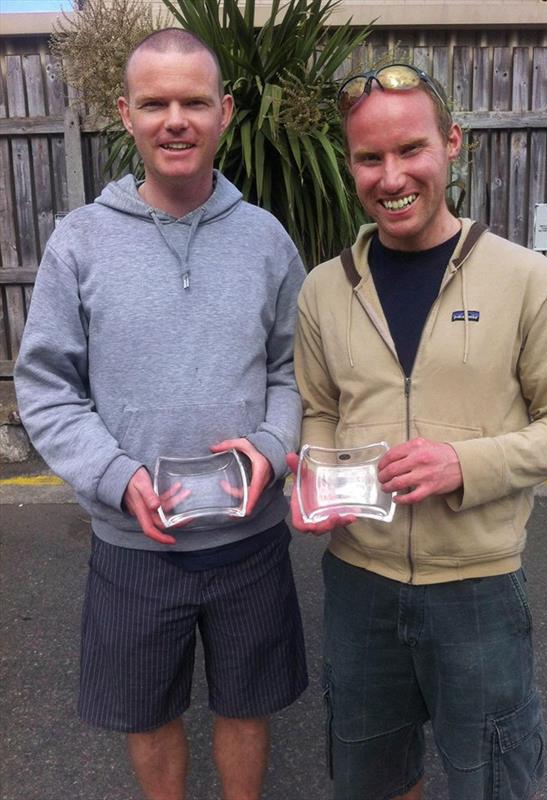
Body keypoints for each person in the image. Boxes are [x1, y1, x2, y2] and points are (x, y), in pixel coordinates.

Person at [288, 63, 547, 800]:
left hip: (479, 587)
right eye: (369, 157)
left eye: (410, 150)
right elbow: (319, 407)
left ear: (450, 143)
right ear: (350, 163)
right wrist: (314, 471)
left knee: (490, 777)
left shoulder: (524, 280)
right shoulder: (325, 289)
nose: (391, 176)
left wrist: (466, 464)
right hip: (358, 581)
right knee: (369, 776)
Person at [15, 28, 308, 800]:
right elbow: (47, 386)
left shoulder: (266, 241)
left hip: (249, 541)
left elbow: (295, 369)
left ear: (225, 112)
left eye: (193, 101)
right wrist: (114, 477)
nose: (174, 119)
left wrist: (274, 446)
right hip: (133, 543)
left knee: (247, 706)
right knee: (147, 713)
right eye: (155, 103)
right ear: (126, 114)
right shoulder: (78, 243)